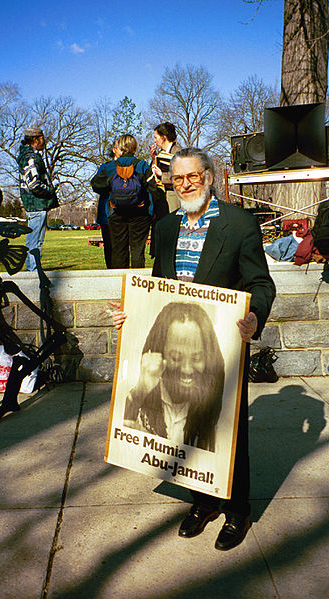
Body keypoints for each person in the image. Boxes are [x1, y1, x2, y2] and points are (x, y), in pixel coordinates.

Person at [112, 147, 276, 551]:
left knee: (226, 432)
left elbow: (261, 283)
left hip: (221, 345)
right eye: (178, 178)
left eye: (193, 177)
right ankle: (201, 503)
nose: (185, 184)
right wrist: (131, 316)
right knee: (185, 431)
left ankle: (237, 510)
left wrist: (254, 314)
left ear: (210, 177)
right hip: (175, 349)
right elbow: (157, 289)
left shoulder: (238, 225)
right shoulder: (166, 227)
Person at [124, 301, 225, 451]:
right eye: (176, 358)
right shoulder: (139, 399)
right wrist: (140, 392)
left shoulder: (218, 412)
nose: (187, 369)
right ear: (159, 354)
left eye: (197, 358)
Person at [91, 134, 157, 269]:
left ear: (120, 148)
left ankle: (118, 284)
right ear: (134, 147)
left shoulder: (109, 167)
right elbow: (154, 189)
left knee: (118, 252)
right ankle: (137, 285)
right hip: (140, 215)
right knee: (137, 252)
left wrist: (111, 185)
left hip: (116, 214)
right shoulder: (142, 165)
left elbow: (95, 185)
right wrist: (152, 211)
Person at [16, 127, 58, 271]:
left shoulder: (27, 156)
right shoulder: (31, 157)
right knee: (35, 243)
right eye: (42, 138)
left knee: (33, 242)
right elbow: (33, 183)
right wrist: (49, 191)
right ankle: (34, 273)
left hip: (34, 206)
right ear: (35, 140)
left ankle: (33, 271)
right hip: (37, 206)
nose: (44, 141)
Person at [150, 122, 182, 213]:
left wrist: (162, 175)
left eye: (156, 137)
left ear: (163, 137)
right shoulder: (160, 153)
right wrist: (154, 159)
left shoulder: (178, 153)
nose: (154, 141)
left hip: (174, 198)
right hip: (161, 198)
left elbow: (181, 176)